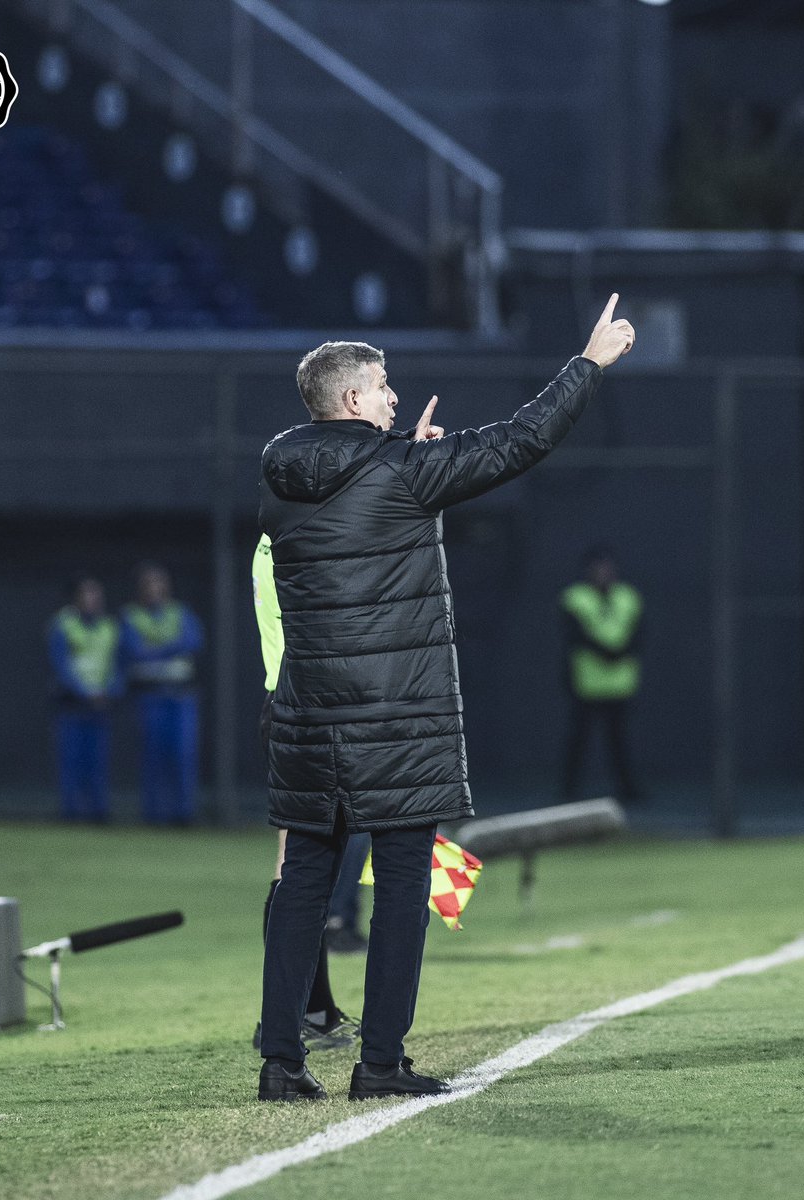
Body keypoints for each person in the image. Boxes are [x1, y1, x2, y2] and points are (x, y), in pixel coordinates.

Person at [256, 293, 635, 1102]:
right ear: (354, 399)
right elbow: (520, 440)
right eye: (384, 387)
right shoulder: (400, 470)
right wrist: (589, 363)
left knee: (301, 889)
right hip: (394, 720)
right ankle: (380, 1063)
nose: (396, 397)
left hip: (311, 719)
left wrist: (407, 467)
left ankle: (281, 1063)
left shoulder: (282, 483)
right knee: (400, 887)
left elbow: (363, 509)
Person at [252, 532, 358, 1051]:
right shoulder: (299, 536)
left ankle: (310, 1011)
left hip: (286, 702)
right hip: (309, 707)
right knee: (303, 870)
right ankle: (295, 1016)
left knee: (297, 866)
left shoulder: (270, 539)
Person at [119, 563, 204, 824]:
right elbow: (133, 650)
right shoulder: (131, 616)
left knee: (183, 755)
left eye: (159, 583)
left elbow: (193, 641)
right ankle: (153, 814)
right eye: (149, 584)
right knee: (154, 756)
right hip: (150, 695)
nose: (155, 589)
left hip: (180, 695)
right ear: (140, 589)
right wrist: (172, 647)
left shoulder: (180, 613)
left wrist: (154, 649)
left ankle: (183, 814)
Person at [559, 548, 644, 802]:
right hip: (587, 685)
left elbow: (639, 634)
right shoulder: (575, 598)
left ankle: (629, 791)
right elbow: (575, 635)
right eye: (598, 567)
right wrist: (608, 652)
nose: (603, 573)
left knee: (619, 743)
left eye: (607, 567)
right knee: (578, 742)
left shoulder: (628, 597)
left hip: (620, 685)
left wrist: (618, 652)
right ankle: (569, 792)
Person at [47, 576, 121, 822]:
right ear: (76, 599)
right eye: (87, 594)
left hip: (100, 706)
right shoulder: (63, 625)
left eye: (96, 594)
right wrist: (85, 692)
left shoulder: (109, 626)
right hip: (72, 705)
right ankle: (71, 812)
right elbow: (61, 665)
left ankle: (98, 811)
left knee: (97, 762)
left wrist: (108, 691)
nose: (93, 600)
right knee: (71, 761)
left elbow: (118, 664)